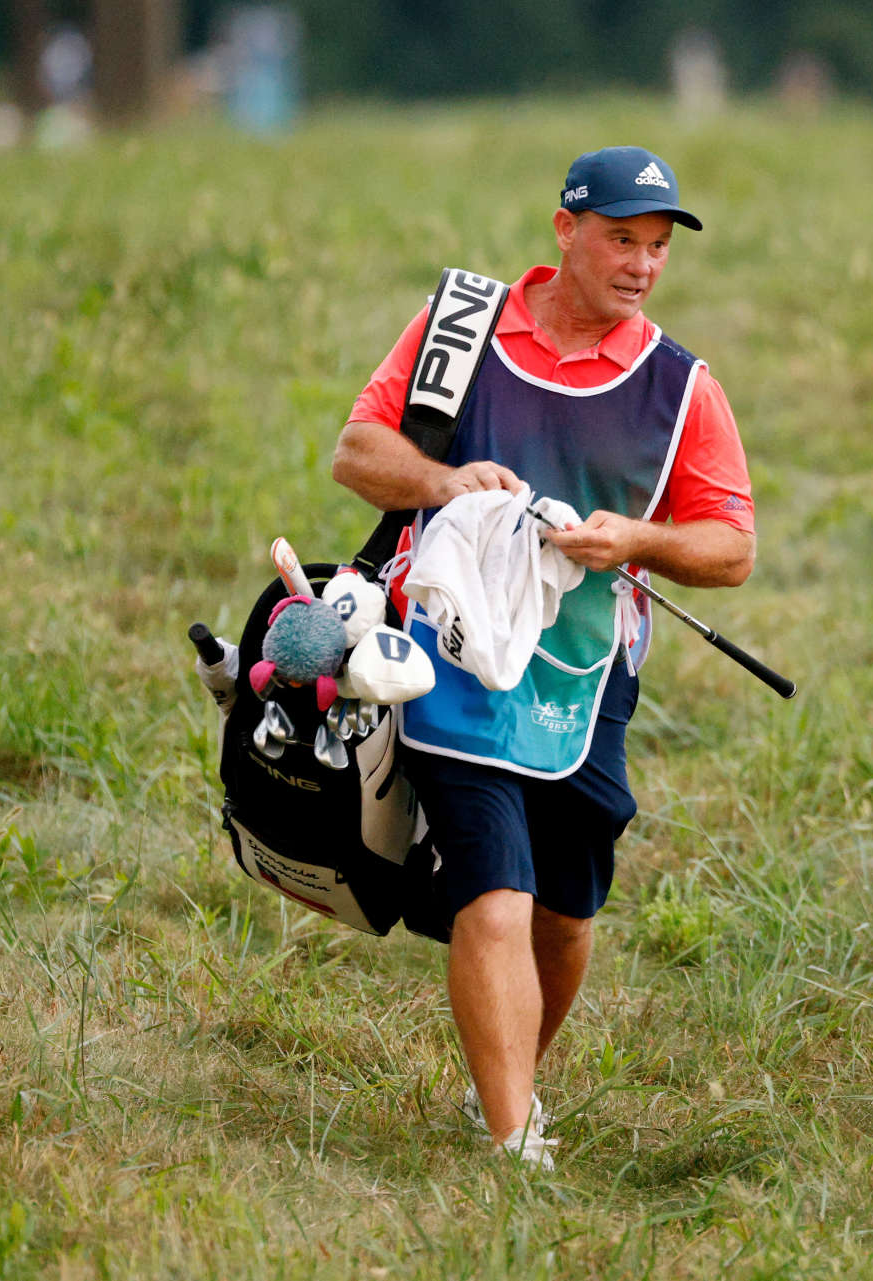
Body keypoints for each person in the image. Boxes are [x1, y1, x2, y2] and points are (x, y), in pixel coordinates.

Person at [332, 147, 756, 1169]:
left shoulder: (681, 386)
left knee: (566, 915)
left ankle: (514, 1082)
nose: (643, 265)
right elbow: (356, 453)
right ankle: (512, 1139)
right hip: (451, 663)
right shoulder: (461, 329)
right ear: (564, 231)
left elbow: (733, 547)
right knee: (496, 893)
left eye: (657, 248)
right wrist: (442, 482)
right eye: (622, 240)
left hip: (585, 677)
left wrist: (637, 543)